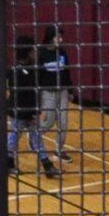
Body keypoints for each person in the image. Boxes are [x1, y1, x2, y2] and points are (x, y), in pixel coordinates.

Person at [8, 35, 59, 178]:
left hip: (30, 111)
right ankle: (9, 163)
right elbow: (21, 95)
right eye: (33, 50)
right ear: (28, 52)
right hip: (20, 112)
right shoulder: (17, 71)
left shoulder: (32, 69)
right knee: (14, 137)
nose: (36, 53)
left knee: (36, 138)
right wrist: (31, 113)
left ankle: (47, 166)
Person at [37, 26, 76, 163]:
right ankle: (35, 136)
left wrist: (70, 90)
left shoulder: (62, 53)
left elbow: (66, 72)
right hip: (48, 93)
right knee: (49, 121)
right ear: (50, 37)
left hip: (62, 91)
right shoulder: (41, 53)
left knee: (63, 123)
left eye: (61, 37)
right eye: (57, 37)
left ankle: (59, 151)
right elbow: (37, 75)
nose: (60, 39)